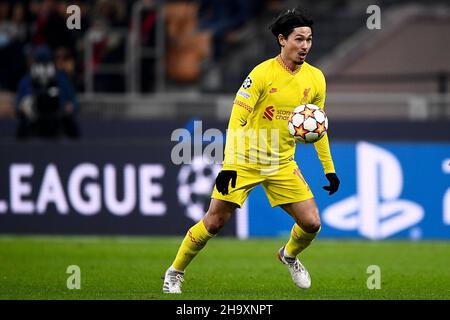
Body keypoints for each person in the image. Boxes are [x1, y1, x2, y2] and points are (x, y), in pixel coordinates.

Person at [163, 8, 340, 294]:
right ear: (282, 40)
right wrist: (228, 165)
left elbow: (317, 127)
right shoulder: (261, 73)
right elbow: (236, 120)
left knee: (311, 223)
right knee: (214, 222)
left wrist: (328, 169)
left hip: (281, 162)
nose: (305, 45)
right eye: (299, 39)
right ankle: (175, 272)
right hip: (245, 159)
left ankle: (289, 255)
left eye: (309, 39)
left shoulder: (316, 79)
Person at [15, 45, 80, 139]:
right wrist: (21, 107)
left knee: (69, 122)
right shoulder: (26, 80)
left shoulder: (61, 79)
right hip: (34, 119)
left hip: (57, 118)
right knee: (23, 123)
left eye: (46, 63)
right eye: (40, 63)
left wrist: (70, 106)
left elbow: (74, 101)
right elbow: (17, 104)